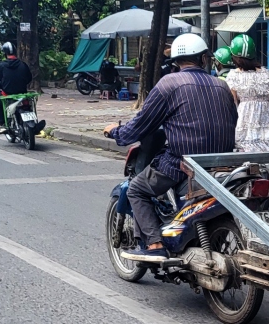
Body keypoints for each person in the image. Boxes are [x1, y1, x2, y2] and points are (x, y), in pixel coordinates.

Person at [102, 33, 237, 263]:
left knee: (136, 189)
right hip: (222, 163)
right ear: (204, 59)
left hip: (181, 165)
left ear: (175, 62)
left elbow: (140, 125)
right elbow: (232, 120)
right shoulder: (222, 86)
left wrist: (116, 131)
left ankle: (154, 245)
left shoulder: (169, 84)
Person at [224, 35, 269, 154]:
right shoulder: (266, 73)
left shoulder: (234, 76)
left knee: (246, 151)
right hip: (265, 119)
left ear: (235, 57)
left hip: (244, 120)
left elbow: (233, 103)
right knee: (266, 149)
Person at [0, 42, 33, 134]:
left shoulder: (1, 65)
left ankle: (3, 124)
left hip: (8, 94)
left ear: (5, 53)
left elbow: (1, 79)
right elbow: (29, 78)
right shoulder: (23, 64)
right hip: (22, 93)